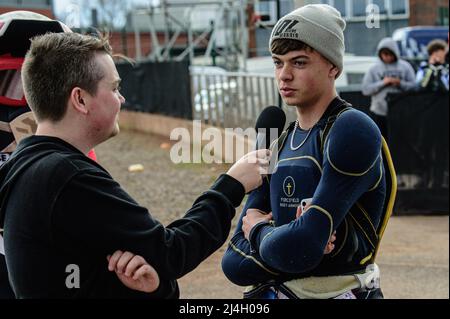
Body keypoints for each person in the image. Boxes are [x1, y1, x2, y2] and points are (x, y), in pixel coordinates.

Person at [0, 31, 270, 298]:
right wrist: (231, 185)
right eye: (115, 88)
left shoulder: (26, 165)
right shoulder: (67, 176)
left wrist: (155, 288)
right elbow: (172, 252)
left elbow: (86, 280)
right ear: (80, 99)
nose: (122, 99)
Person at [221, 4, 390, 299]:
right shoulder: (279, 140)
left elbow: (301, 248)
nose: (284, 75)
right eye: (278, 62)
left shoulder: (351, 130)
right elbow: (235, 262)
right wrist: (286, 242)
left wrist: (261, 231)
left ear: (333, 67)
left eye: (298, 62)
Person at [362, 37, 416, 140]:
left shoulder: (405, 67)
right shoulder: (374, 69)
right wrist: (383, 83)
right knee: (381, 141)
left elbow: (415, 87)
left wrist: (400, 83)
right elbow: (365, 89)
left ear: (395, 53)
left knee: (401, 142)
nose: (387, 57)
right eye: (384, 54)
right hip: (379, 112)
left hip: (401, 113)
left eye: (390, 54)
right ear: (380, 54)